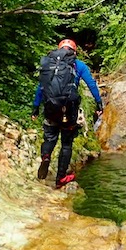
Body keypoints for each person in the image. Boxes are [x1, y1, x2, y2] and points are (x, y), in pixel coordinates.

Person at [32, 39, 103, 188]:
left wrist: (36, 108)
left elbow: (41, 87)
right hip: (68, 110)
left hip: (50, 108)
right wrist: (99, 102)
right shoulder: (78, 65)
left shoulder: (50, 64)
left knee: (50, 137)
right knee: (66, 143)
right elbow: (91, 84)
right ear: (74, 52)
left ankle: (45, 157)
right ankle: (61, 178)